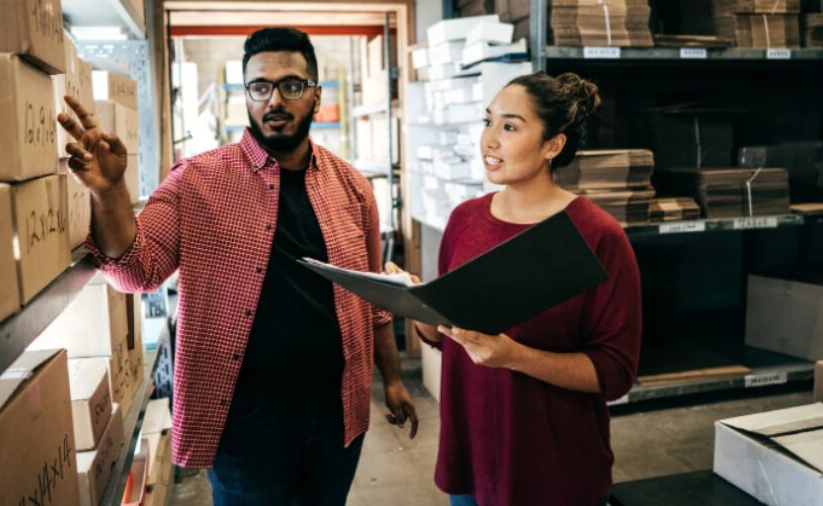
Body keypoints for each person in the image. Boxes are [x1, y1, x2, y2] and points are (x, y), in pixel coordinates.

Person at [58, 27, 418, 506]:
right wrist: (109, 192)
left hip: (338, 415)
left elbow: (376, 300)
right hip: (246, 424)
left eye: (291, 86)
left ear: (315, 94)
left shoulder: (352, 188)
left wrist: (392, 379)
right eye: (259, 87)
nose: (275, 100)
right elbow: (136, 272)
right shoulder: (198, 180)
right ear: (245, 96)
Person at [407, 72, 642, 506]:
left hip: (553, 472)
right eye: (487, 122)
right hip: (471, 462)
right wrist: (417, 305)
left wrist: (515, 357)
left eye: (510, 126)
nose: (489, 140)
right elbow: (448, 339)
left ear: (553, 145)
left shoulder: (597, 236)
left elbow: (615, 374)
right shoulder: (464, 220)